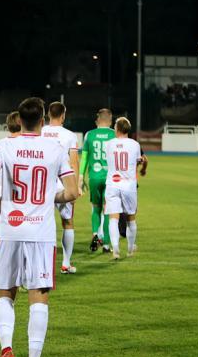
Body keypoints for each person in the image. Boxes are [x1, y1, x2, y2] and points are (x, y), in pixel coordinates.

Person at [0, 97, 77, 357]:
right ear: (42, 121)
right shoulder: (55, 149)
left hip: (10, 229)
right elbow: (71, 193)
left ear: (19, 120)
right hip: (40, 234)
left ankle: (6, 348)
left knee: (4, 293)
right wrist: (49, 197)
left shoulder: (5, 146)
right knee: (39, 299)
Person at [41, 102, 80, 273]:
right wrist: (76, 185)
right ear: (63, 115)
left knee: (40, 222)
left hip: (42, 183)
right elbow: (73, 162)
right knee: (68, 222)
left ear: (49, 114)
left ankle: (41, 265)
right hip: (63, 183)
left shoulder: (40, 132)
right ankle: (65, 263)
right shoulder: (70, 135)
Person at [104, 117, 142, 260]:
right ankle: (131, 249)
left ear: (117, 129)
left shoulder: (109, 144)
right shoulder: (135, 145)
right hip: (129, 184)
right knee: (130, 218)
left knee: (113, 217)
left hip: (113, 183)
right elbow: (136, 162)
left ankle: (115, 250)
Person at [79, 108, 115, 253]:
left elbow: (85, 158)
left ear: (97, 120)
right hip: (110, 178)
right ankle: (106, 244)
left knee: (95, 208)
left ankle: (95, 234)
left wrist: (81, 177)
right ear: (111, 121)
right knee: (107, 210)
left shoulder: (89, 135)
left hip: (94, 177)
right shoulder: (114, 135)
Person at [0, 112, 21, 265]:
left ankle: (1, 279)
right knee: (22, 243)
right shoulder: (29, 145)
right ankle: (23, 279)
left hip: (1, 200)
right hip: (24, 202)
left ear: (8, 125)